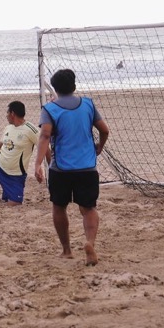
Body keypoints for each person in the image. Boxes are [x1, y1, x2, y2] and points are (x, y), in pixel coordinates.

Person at [34, 69, 109, 266]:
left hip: (61, 169)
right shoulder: (88, 104)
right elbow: (104, 130)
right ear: (74, 86)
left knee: (59, 207)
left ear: (56, 89)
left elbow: (45, 136)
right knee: (88, 208)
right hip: (87, 167)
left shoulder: (50, 109)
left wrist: (37, 163)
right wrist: (99, 147)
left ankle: (66, 250)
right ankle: (89, 243)